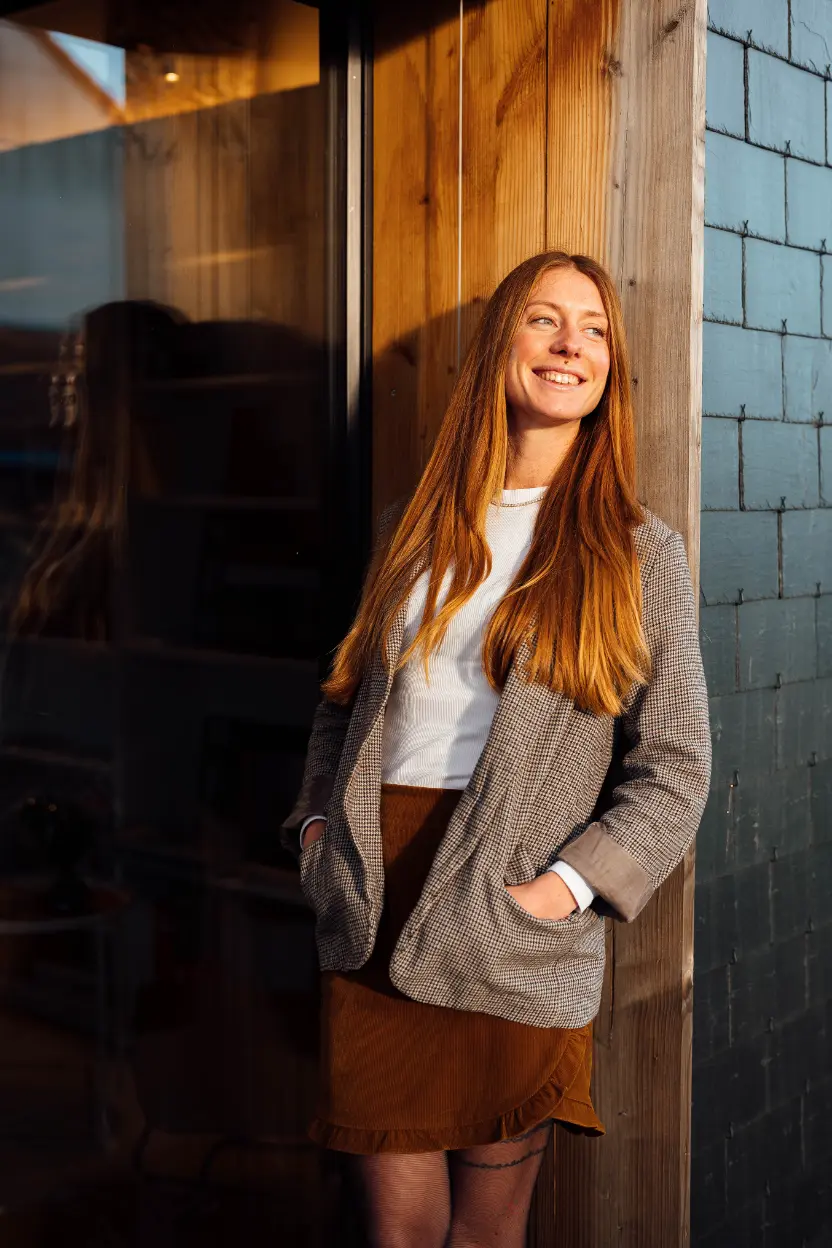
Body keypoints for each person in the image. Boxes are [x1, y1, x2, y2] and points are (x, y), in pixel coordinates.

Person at [280, 249, 712, 1247]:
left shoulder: (636, 551)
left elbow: (675, 764)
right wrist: (313, 828)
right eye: (544, 320)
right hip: (372, 895)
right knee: (396, 1233)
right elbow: (343, 704)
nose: (571, 345)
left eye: (594, 330)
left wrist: (562, 890)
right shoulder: (408, 531)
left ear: (610, 369)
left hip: (514, 913)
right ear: (498, 349)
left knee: (485, 1233)